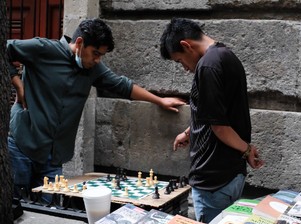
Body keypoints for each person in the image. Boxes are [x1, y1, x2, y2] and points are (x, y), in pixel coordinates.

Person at [7, 18, 185, 200]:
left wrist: (160, 101)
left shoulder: (93, 68)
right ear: (79, 43)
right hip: (23, 146)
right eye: (95, 53)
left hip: (53, 157)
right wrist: (17, 84)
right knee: (15, 209)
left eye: (101, 55)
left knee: (48, 214)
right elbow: (4, 49)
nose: (98, 60)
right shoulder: (43, 49)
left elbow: (123, 85)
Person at [159, 18, 264, 223]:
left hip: (213, 180)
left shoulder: (207, 66)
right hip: (231, 174)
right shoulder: (226, 56)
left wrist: (247, 149)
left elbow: (220, 127)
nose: (185, 68)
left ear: (186, 45)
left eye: (180, 61)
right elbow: (214, 112)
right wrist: (189, 133)